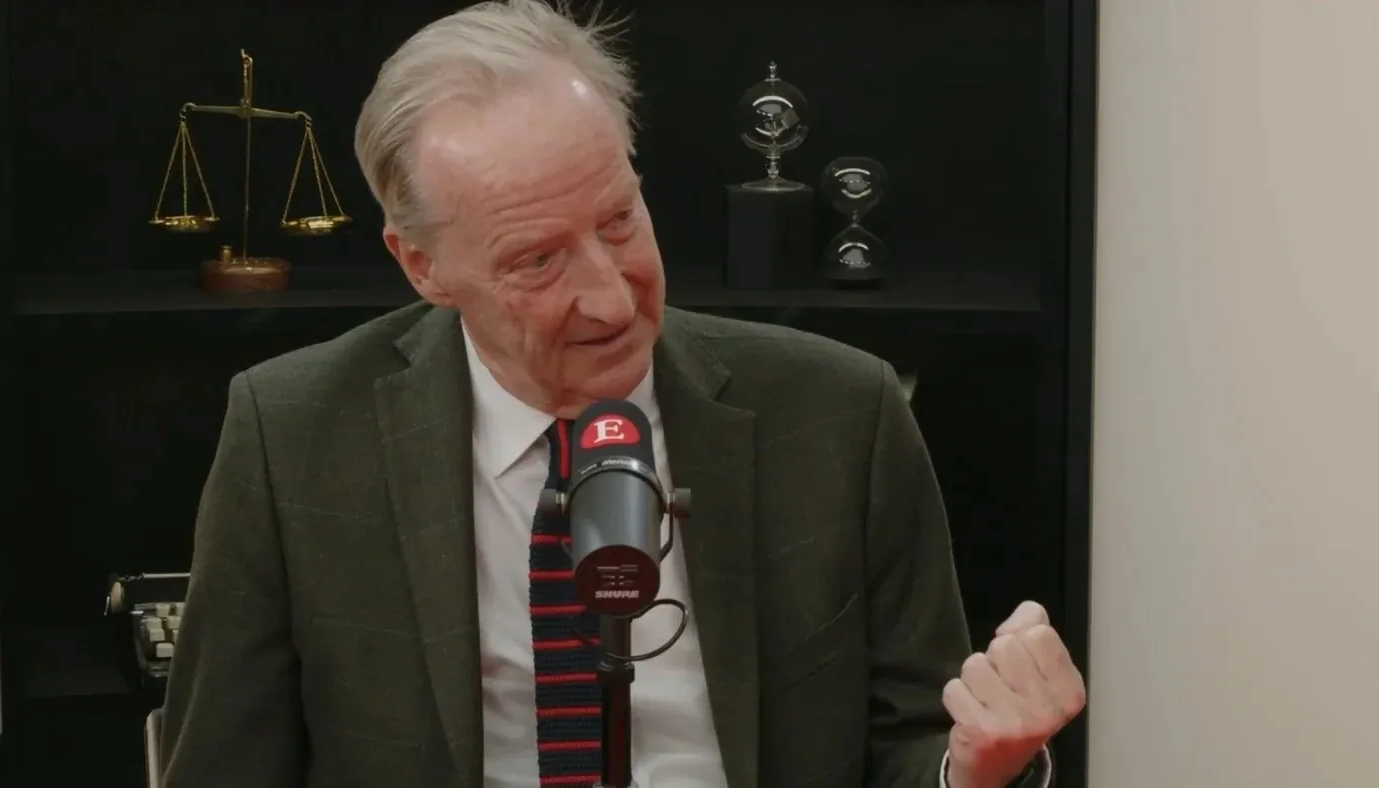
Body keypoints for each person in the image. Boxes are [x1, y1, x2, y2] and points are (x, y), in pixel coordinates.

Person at [158, 1, 1086, 786]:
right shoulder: (292, 435)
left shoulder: (843, 414)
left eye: (618, 220)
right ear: (423, 267)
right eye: (537, 260)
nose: (610, 297)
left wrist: (977, 767)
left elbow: (916, 742)